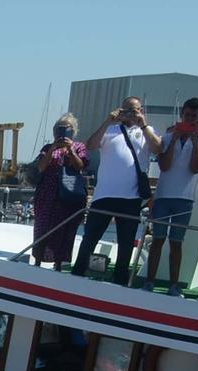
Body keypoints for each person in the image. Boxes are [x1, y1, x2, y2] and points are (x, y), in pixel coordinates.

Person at [73, 96, 160, 285]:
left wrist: (143, 125)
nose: (130, 114)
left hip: (130, 197)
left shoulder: (147, 131)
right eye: (126, 110)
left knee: (126, 241)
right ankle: (78, 271)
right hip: (104, 194)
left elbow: (158, 149)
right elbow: (91, 145)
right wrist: (107, 121)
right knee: (90, 237)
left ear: (141, 110)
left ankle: (120, 278)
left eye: (134, 110)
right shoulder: (110, 130)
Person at [141, 97, 198, 291]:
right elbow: (164, 166)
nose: (190, 119)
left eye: (194, 116)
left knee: (177, 243)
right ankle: (149, 281)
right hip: (163, 197)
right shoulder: (167, 139)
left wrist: (194, 144)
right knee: (157, 240)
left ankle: (174, 284)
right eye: (187, 115)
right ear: (181, 115)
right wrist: (175, 139)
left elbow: (196, 168)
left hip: (185, 199)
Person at [32, 114, 89, 268]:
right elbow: (41, 167)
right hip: (47, 192)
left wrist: (70, 150)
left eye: (67, 129)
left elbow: (80, 166)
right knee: (43, 226)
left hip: (68, 193)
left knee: (64, 229)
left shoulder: (79, 147)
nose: (62, 132)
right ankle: (38, 260)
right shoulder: (47, 148)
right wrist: (52, 149)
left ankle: (59, 263)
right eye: (59, 129)